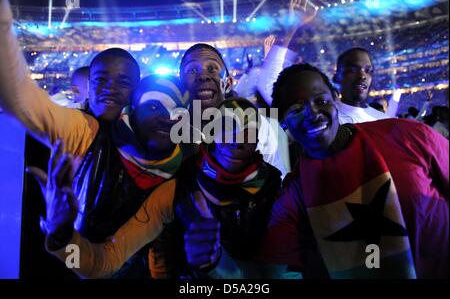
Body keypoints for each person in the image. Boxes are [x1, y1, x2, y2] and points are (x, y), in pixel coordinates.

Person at [36, 98, 284, 279]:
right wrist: (62, 238)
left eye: (248, 128)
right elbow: (101, 265)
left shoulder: (274, 188)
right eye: (226, 126)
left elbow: (280, 276)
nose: (237, 138)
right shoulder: (178, 188)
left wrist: (219, 265)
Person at [259, 63, 448, 278]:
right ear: (283, 121)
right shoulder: (296, 195)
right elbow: (276, 264)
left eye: (321, 101)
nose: (313, 114)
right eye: (296, 109)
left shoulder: (407, 135)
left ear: (336, 100)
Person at [179, 43, 290, 178]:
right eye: (192, 70)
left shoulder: (260, 127)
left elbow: (279, 182)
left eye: (212, 68)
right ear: (181, 85)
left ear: (228, 84)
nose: (203, 76)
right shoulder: (169, 129)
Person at [332, 48, 391, 124]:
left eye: (368, 70)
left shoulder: (384, 120)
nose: (362, 76)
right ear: (337, 77)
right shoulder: (330, 121)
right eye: (353, 70)